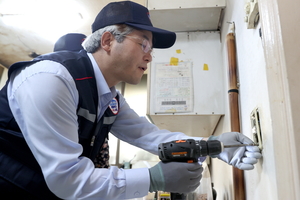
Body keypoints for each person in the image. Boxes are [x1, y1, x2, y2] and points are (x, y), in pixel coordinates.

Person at [0, 1, 262, 200]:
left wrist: (211, 146)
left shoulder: (109, 96)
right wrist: (154, 178)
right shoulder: (51, 80)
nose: (150, 57)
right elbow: (68, 180)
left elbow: (149, 136)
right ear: (107, 41)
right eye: (144, 44)